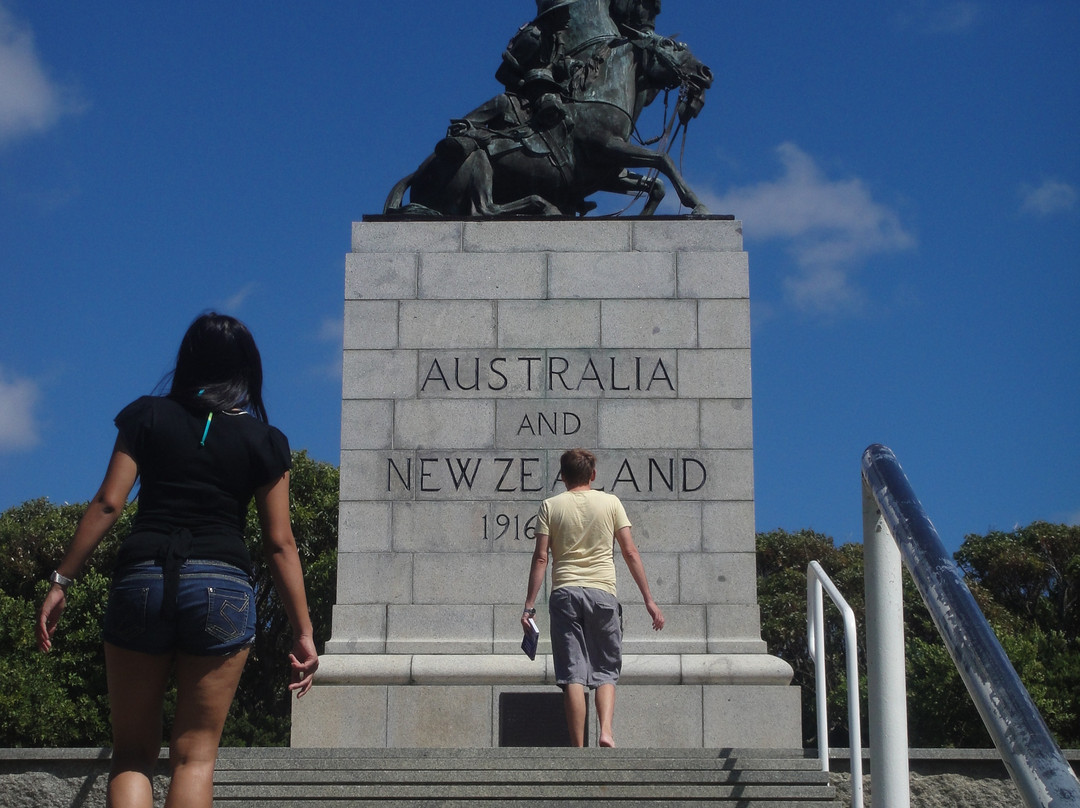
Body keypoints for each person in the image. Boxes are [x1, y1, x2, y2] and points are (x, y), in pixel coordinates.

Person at [36, 312, 318, 808]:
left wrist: (61, 580)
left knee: (131, 756)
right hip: (223, 587)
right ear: (246, 370)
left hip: (141, 578)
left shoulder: (146, 416)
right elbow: (280, 543)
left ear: (187, 361)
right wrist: (303, 630)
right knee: (195, 757)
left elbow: (108, 503)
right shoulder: (264, 440)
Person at [521, 448, 664, 747]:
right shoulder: (611, 503)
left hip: (565, 593)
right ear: (593, 475)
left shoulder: (550, 506)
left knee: (573, 672)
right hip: (603, 593)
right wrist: (649, 600)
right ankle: (606, 732)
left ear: (562, 476)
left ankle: (578, 747)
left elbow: (540, 559)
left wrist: (529, 606)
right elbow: (629, 552)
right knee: (605, 669)